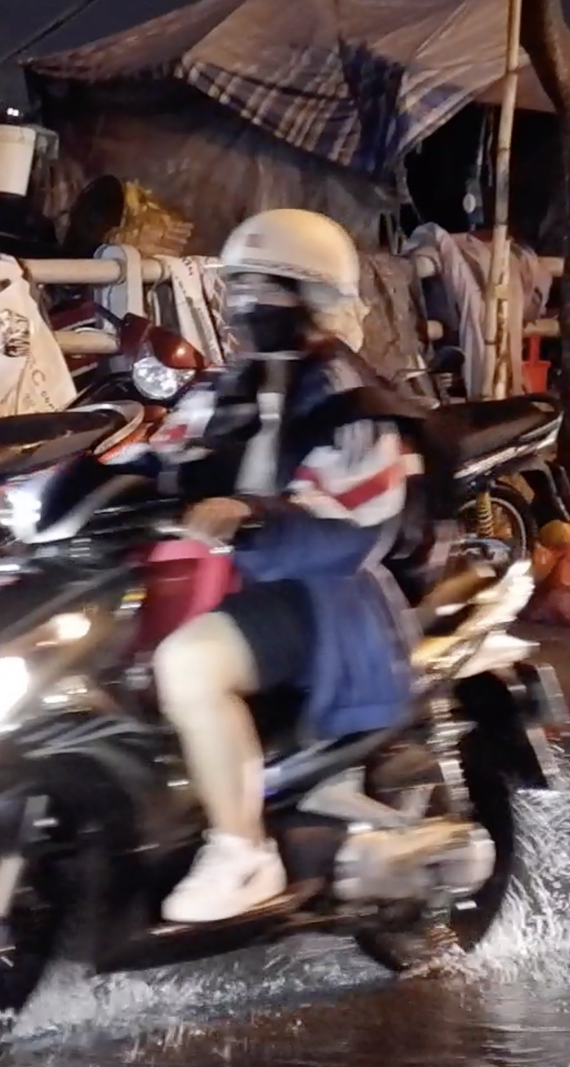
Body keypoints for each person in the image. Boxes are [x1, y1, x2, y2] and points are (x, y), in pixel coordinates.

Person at [123, 209, 431, 924]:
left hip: (319, 602)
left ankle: (242, 854)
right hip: (224, 582)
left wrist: (256, 518)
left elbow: (351, 525)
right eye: (237, 286)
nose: (243, 305)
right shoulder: (231, 385)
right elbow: (159, 452)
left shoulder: (351, 403)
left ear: (309, 298)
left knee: (188, 665)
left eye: (263, 288)